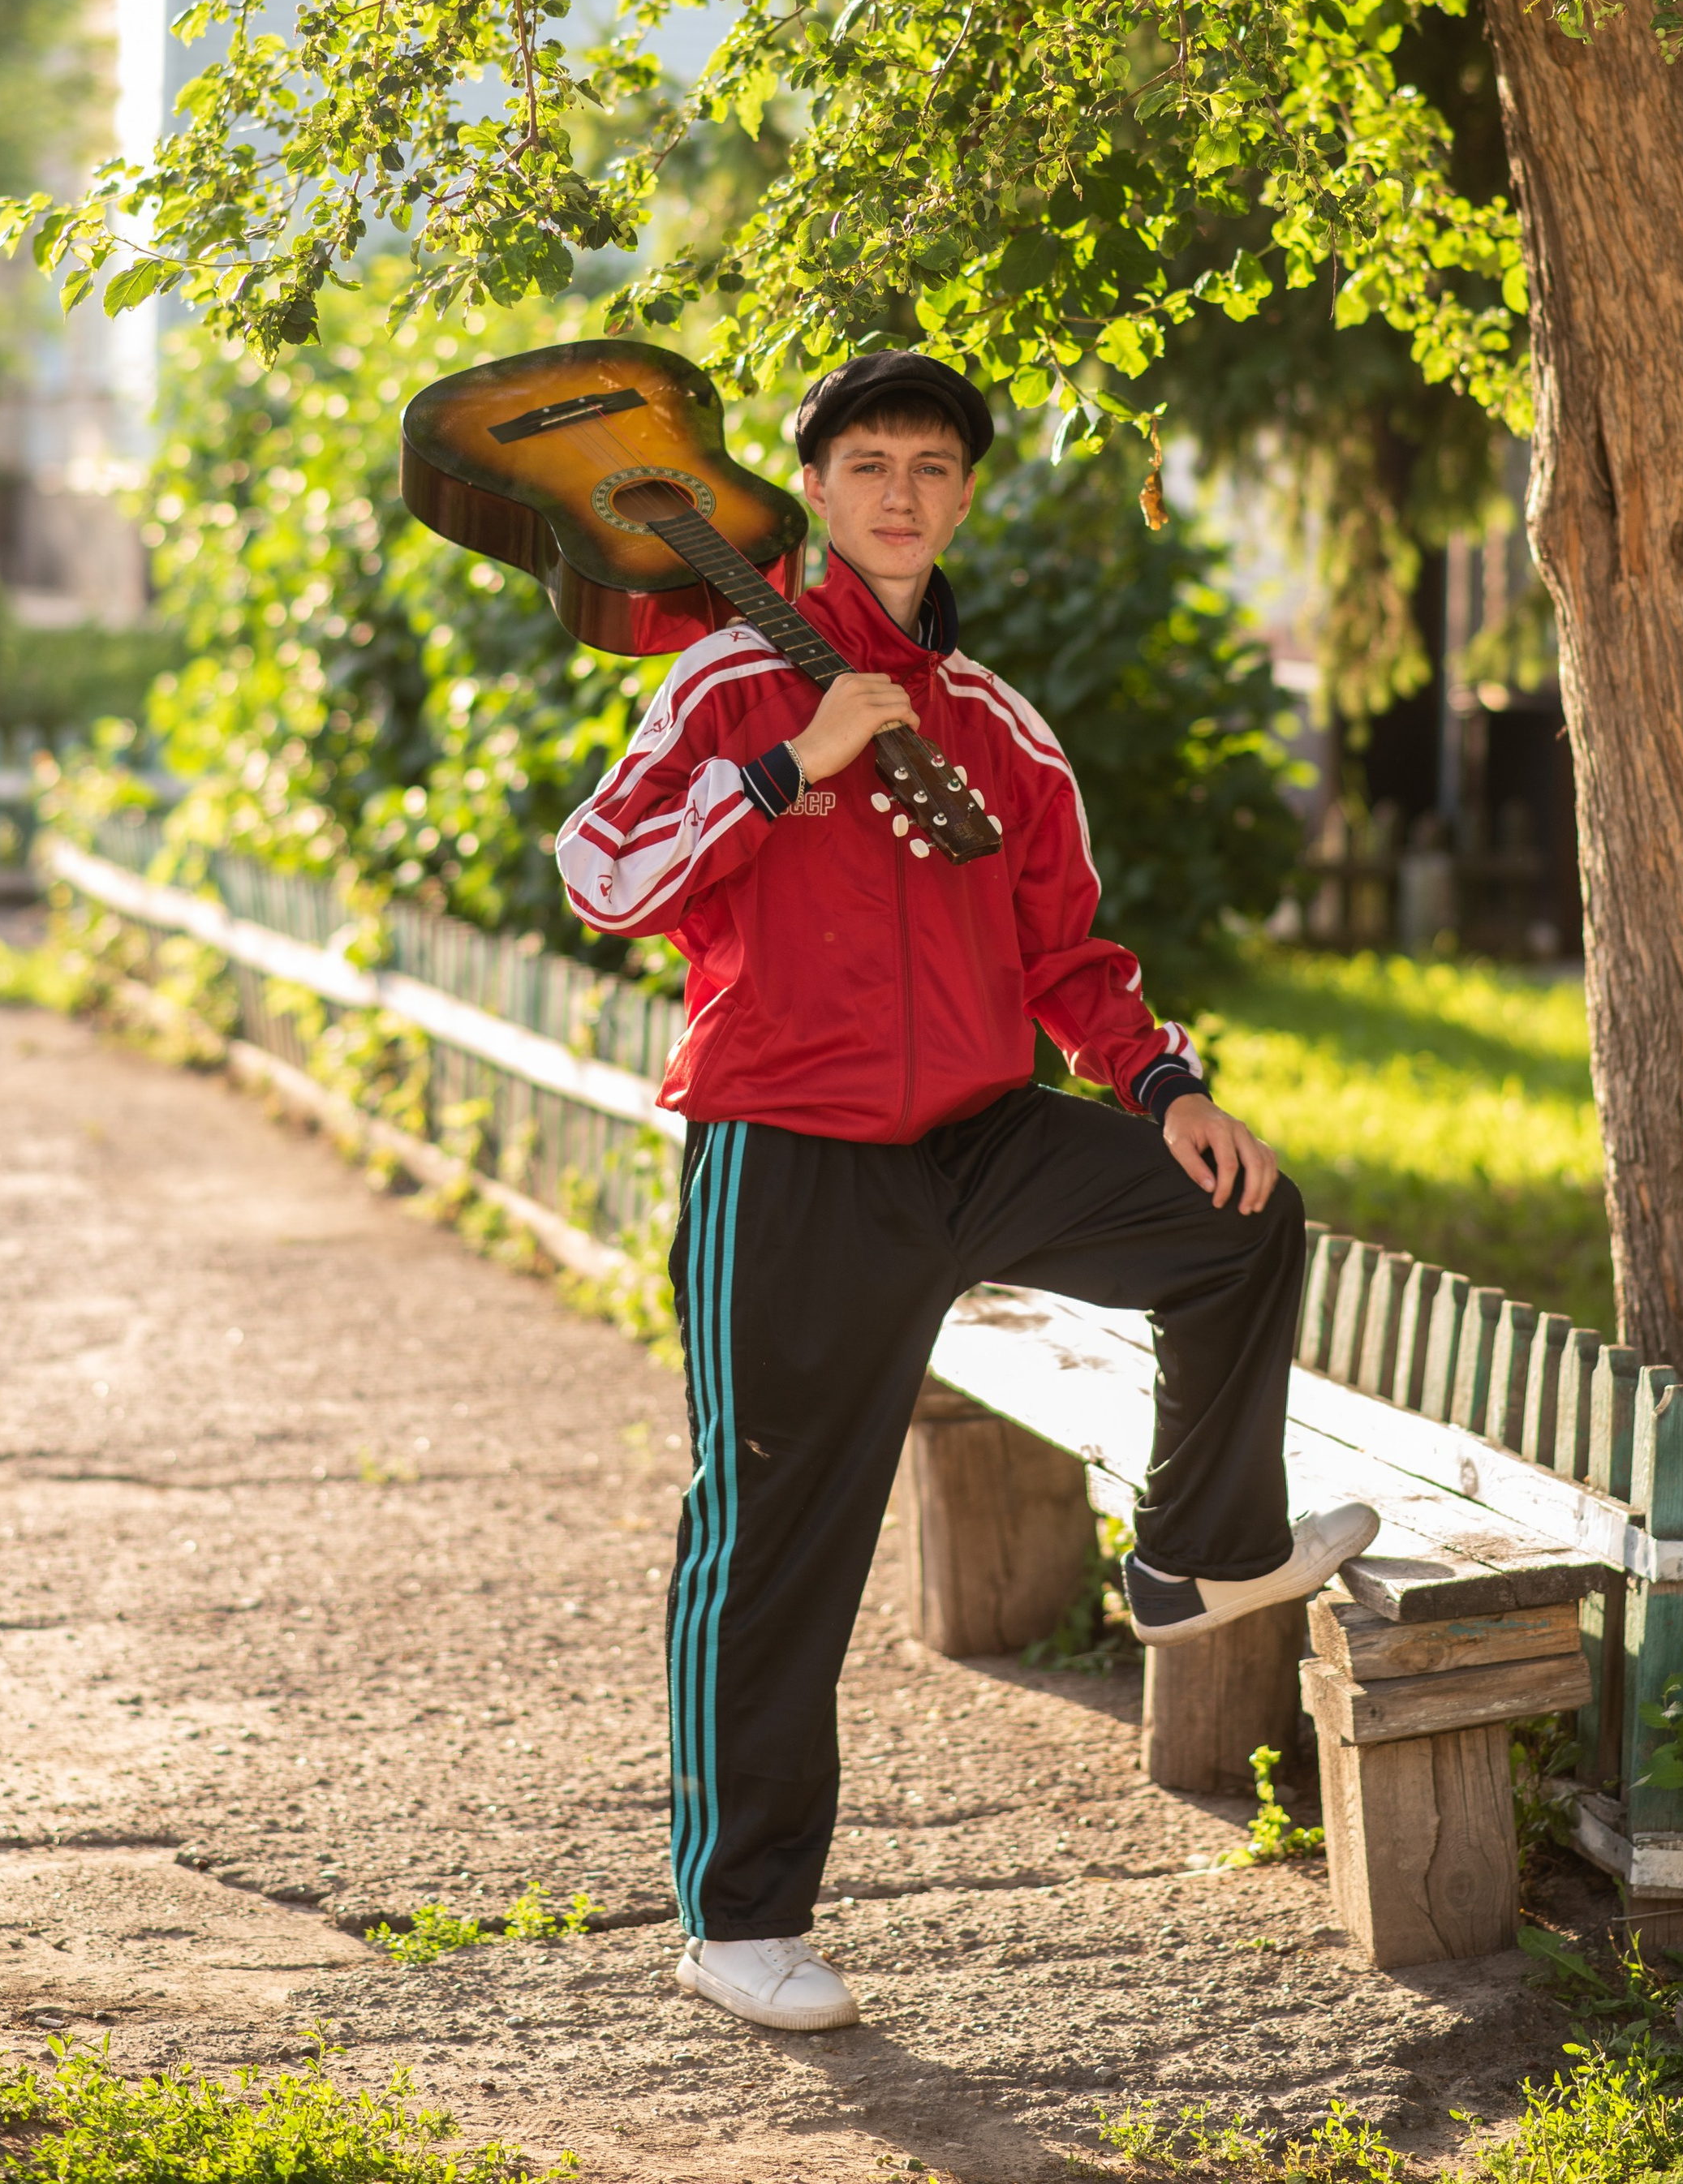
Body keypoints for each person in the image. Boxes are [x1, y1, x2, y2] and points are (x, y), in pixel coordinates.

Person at [557, 351, 1377, 2036]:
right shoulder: (726, 675)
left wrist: (1165, 1084)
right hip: (786, 1154)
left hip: (977, 1139)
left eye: (933, 466)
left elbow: (1062, 953)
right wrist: (788, 765)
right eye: (870, 463)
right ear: (815, 488)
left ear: (964, 495)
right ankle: (738, 1920)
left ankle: (1195, 1552)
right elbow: (598, 871)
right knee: (774, 1534)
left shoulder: (995, 725)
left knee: (1232, 1216)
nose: (903, 493)